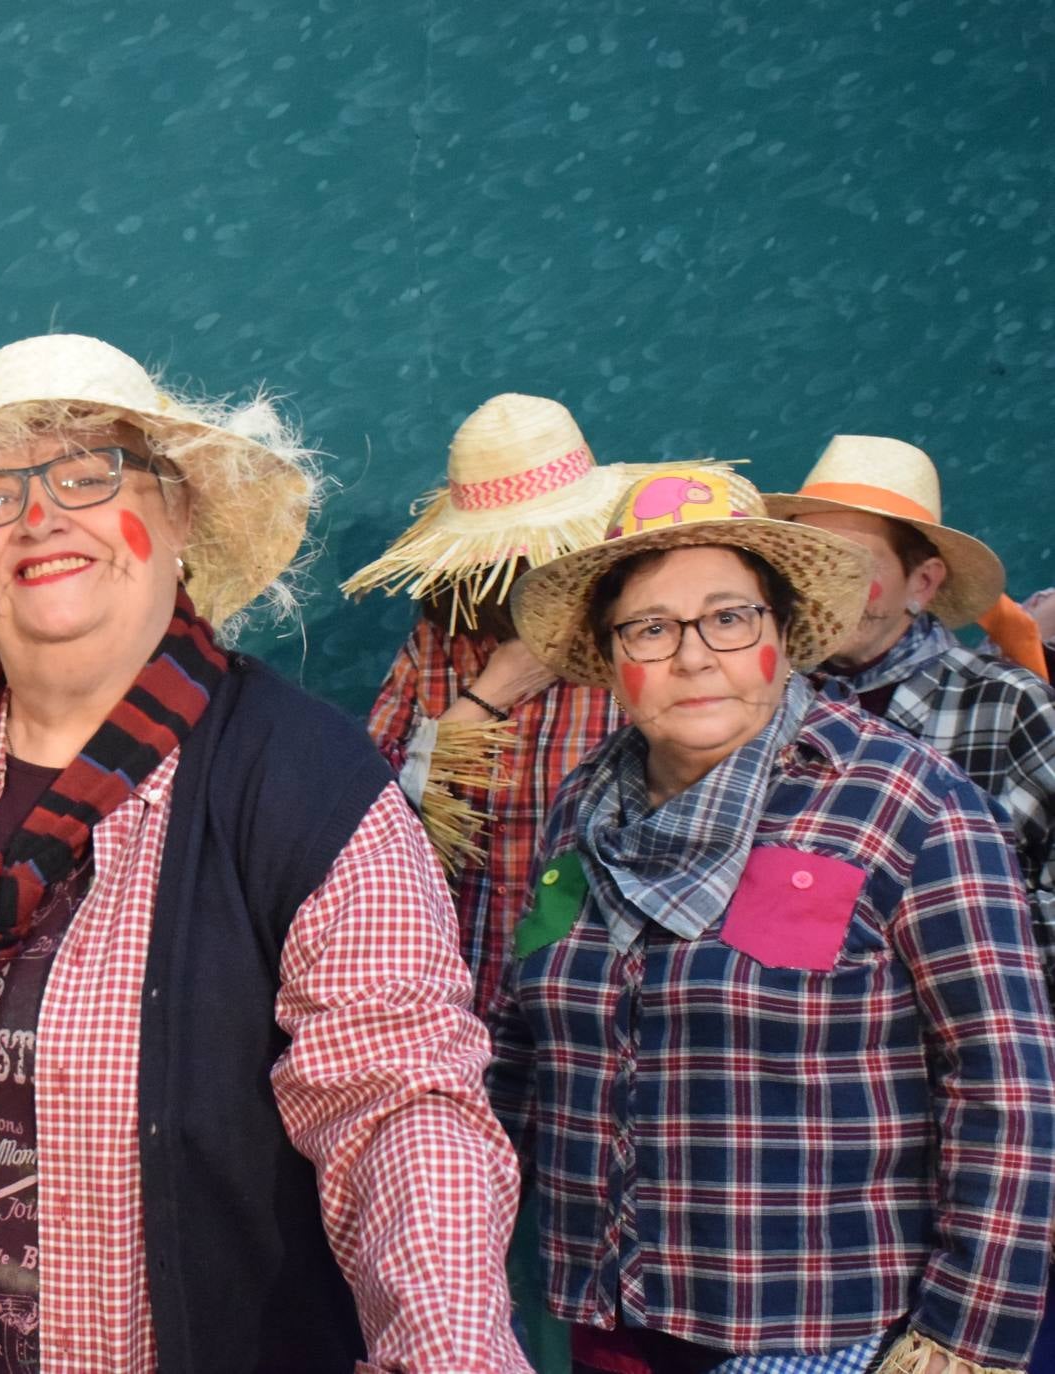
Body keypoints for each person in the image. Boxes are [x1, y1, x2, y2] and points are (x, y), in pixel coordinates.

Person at [0, 333, 528, 1372]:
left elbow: (397, 1102)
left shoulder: (301, 776)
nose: (40, 515)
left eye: (89, 474)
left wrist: (448, 1349)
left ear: (177, 512)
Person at [492, 465, 1055, 1373]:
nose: (690, 656)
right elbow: (523, 1042)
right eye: (649, 628)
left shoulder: (905, 805)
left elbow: (1006, 1084)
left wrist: (963, 1337)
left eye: (728, 617)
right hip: (610, 1316)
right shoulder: (579, 810)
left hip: (822, 1328)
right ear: (611, 659)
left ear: (783, 633)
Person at [346, 395, 693, 1374]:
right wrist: (488, 694)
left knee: (612, 1281)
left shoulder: (649, 639)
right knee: (455, 1261)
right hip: (469, 1005)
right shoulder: (442, 645)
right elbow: (375, 824)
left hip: (613, 1022)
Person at [765, 435, 1055, 1372]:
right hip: (798, 1183)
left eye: (853, 563)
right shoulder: (741, 717)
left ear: (923, 583)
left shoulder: (1006, 712)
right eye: (807, 560)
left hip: (972, 1151)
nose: (824, 586)